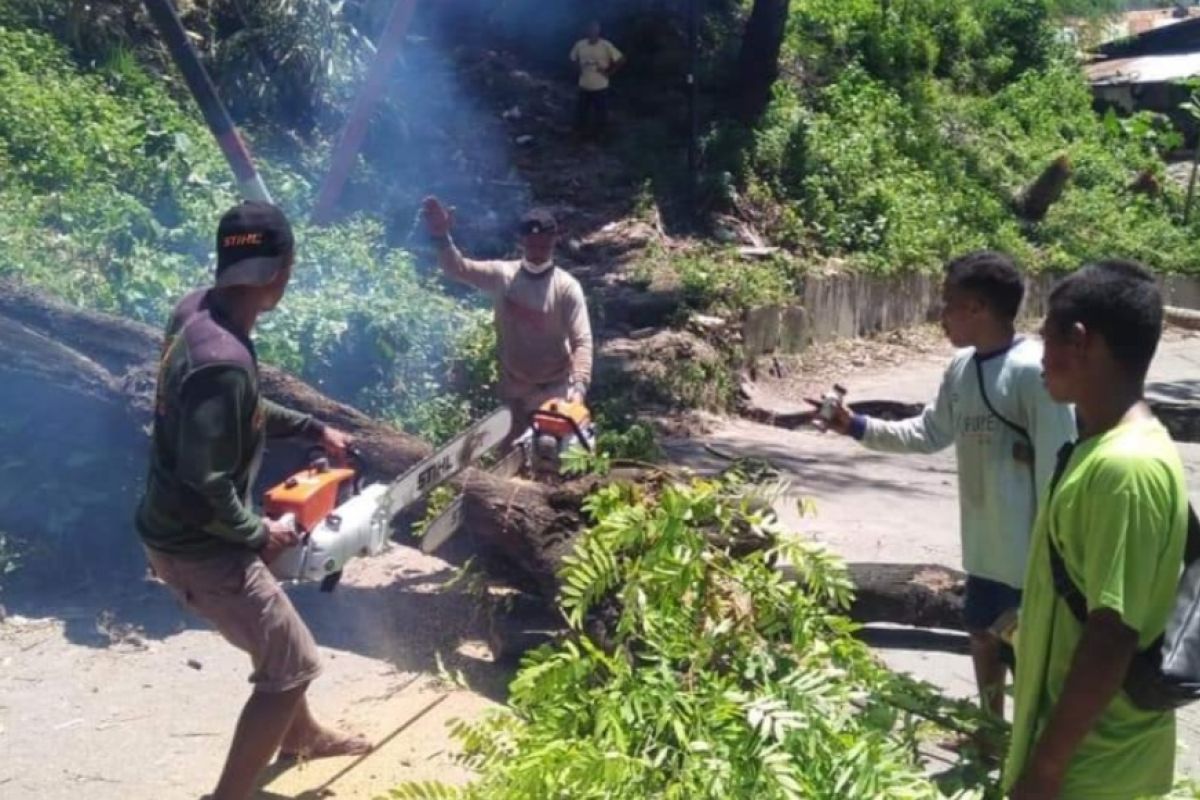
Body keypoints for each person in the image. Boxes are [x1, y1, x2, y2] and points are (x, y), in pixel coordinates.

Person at [136, 202, 371, 800]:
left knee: (277, 651)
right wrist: (257, 532)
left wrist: (312, 430)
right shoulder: (225, 363)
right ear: (280, 273)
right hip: (201, 547)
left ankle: (304, 737)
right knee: (293, 666)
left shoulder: (198, 312)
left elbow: (235, 413)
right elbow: (206, 480)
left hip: (181, 530)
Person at [814, 251, 1076, 733]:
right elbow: (929, 433)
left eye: (948, 303)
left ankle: (1032, 751)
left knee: (1032, 657)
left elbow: (1061, 467)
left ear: (977, 307)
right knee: (982, 636)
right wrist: (855, 426)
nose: (941, 316)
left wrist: (1056, 555)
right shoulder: (960, 369)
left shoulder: (1030, 372)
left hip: (1031, 559)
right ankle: (989, 733)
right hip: (983, 550)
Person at [1005, 260, 1188, 800]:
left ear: (1080, 341)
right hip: (1087, 761)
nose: (1042, 359)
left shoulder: (1123, 469)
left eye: (1047, 339)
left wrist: (1045, 771)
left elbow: (1112, 635)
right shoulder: (1102, 447)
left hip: (1094, 770)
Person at [420, 196, 593, 449]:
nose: (537, 252)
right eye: (532, 245)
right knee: (511, 458)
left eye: (543, 245)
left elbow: (582, 341)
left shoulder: (566, 287)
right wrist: (441, 238)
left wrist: (578, 390)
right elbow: (458, 269)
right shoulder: (503, 275)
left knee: (552, 457)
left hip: (554, 388)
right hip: (514, 389)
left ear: (554, 241)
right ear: (522, 242)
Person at [569, 20, 624, 140]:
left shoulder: (606, 45)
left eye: (595, 29)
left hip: (600, 87)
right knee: (581, 112)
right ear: (586, 31)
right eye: (590, 29)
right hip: (584, 85)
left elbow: (621, 59)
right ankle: (579, 135)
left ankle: (600, 136)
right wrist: (577, 70)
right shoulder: (580, 44)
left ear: (599, 31)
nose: (592, 32)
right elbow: (572, 58)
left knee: (601, 114)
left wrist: (609, 73)